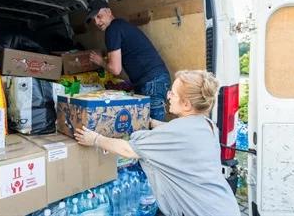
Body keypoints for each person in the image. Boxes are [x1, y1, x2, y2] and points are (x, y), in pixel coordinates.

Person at [74, 70, 241, 216]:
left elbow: (128, 150)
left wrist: (95, 139)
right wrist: (151, 121)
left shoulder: (178, 133)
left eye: (173, 93)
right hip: (224, 206)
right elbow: (175, 132)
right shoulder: (206, 125)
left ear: (186, 104)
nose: (168, 96)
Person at [86, 0, 171, 121]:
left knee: (155, 130)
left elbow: (115, 69)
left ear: (109, 12)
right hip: (154, 79)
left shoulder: (112, 30)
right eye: (94, 20)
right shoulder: (120, 25)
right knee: (148, 127)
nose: (97, 22)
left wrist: (100, 62)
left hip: (152, 82)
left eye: (99, 16)